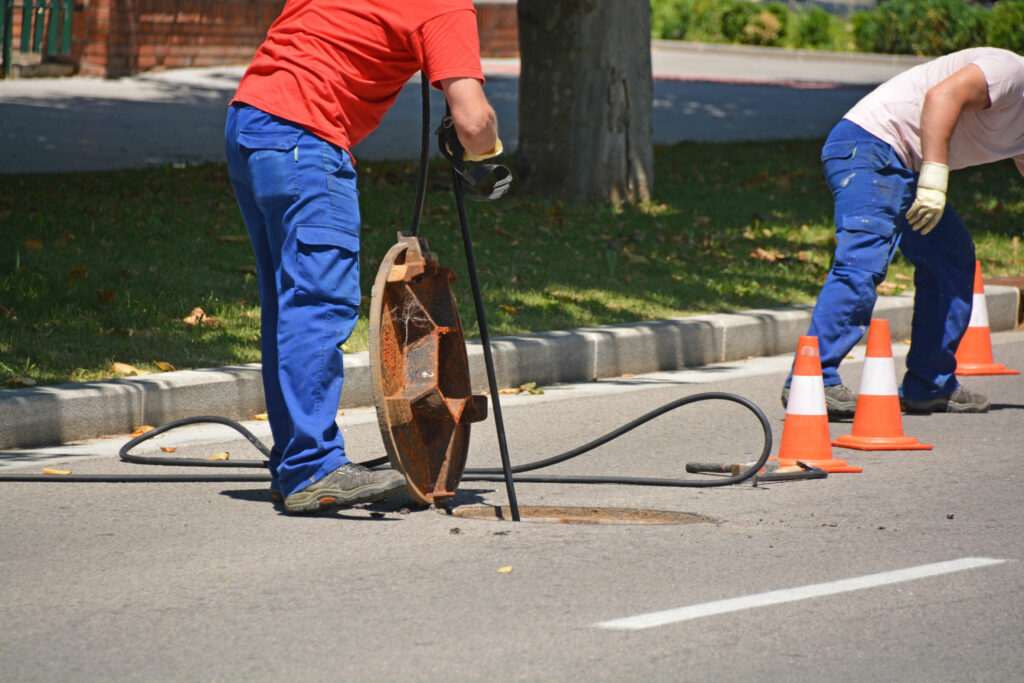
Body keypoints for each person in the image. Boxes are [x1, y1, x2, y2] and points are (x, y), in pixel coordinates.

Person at [224, 1, 503, 514]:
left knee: (288, 302)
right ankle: (312, 468)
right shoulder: (445, 5)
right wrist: (487, 150)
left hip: (250, 122)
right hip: (306, 140)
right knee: (317, 302)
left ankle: (293, 462)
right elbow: (471, 118)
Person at [783, 47, 1024, 417]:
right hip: (869, 146)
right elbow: (941, 96)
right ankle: (812, 378)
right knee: (862, 261)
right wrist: (933, 178)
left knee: (951, 258)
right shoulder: (1009, 71)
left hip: (905, 164)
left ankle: (929, 383)